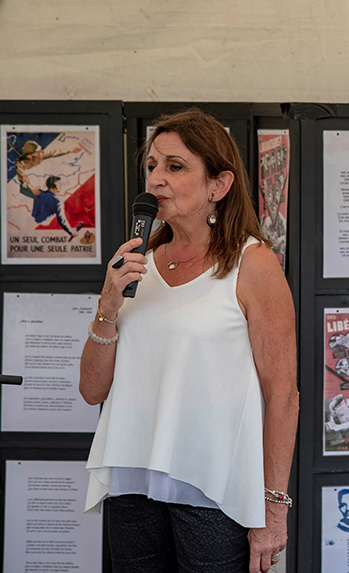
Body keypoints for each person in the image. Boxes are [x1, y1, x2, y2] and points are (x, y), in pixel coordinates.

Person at [79, 108, 299, 573]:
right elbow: (92, 390)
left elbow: (282, 395)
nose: (157, 178)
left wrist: (273, 509)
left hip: (214, 489)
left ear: (218, 186)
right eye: (153, 165)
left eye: (175, 167)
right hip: (133, 481)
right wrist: (108, 306)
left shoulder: (252, 265)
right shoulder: (137, 264)